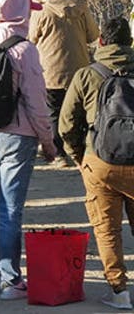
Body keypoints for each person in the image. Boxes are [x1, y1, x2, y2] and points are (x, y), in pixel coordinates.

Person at [0, 0, 57, 300]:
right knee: (10, 210)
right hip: (17, 137)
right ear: (21, 13)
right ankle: (11, 281)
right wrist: (48, 142)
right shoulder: (25, 49)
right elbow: (36, 103)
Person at [60, 18, 134, 310]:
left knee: (107, 230)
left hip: (100, 162)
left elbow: (67, 124)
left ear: (100, 41)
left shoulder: (87, 75)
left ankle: (119, 292)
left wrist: (79, 156)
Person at [30, 0, 98, 167]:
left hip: (51, 72)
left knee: (53, 112)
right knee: (79, 111)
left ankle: (58, 154)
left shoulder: (41, 11)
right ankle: (81, 151)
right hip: (80, 71)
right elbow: (93, 36)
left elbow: (31, 39)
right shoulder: (81, 7)